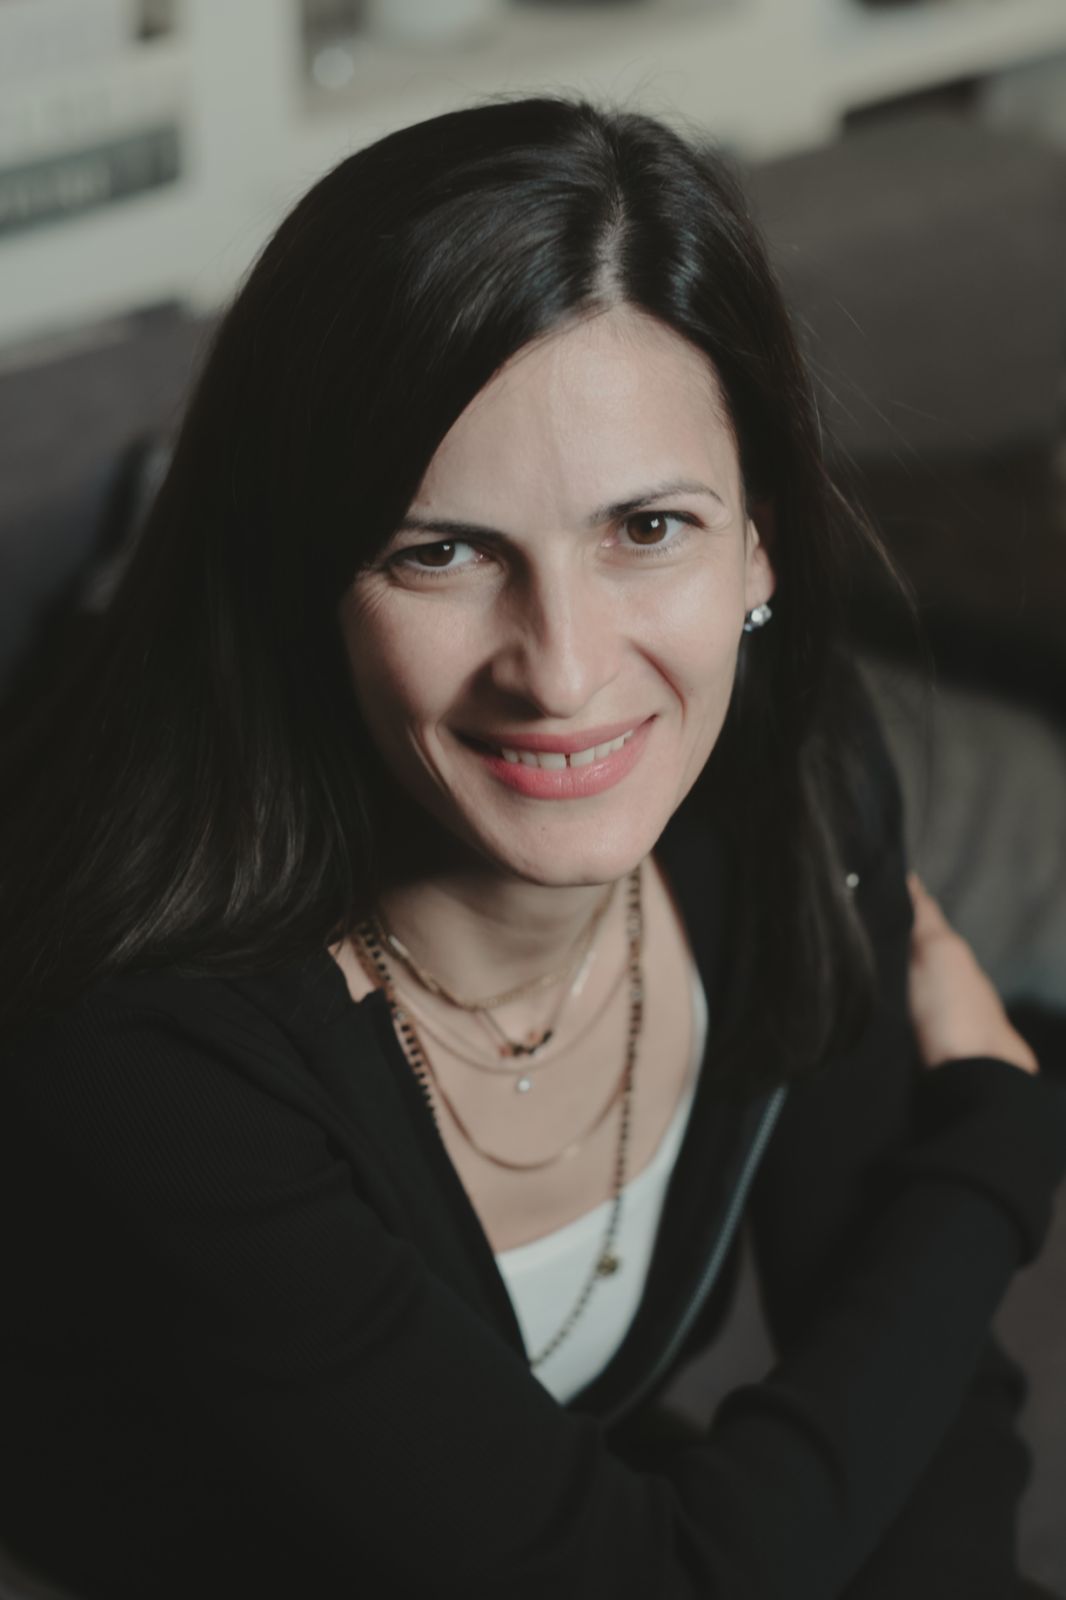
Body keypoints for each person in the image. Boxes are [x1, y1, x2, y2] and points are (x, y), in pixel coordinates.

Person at [1, 95, 1064, 1600]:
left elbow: (910, 1396)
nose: (561, 672)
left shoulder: (792, 788)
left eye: (648, 529)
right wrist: (994, 1145)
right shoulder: (147, 1040)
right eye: (440, 551)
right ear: (311, 576)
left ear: (760, 538)